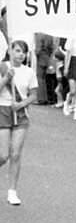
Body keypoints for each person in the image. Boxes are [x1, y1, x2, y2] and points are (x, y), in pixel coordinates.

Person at [0, 39, 37, 205]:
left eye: (23, 51)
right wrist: (6, 78)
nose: (20, 54)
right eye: (17, 50)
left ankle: (12, 191)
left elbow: (34, 95)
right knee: (3, 155)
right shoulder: (3, 67)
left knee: (15, 154)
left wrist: (21, 104)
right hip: (3, 109)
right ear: (10, 50)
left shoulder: (29, 72)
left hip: (20, 113)